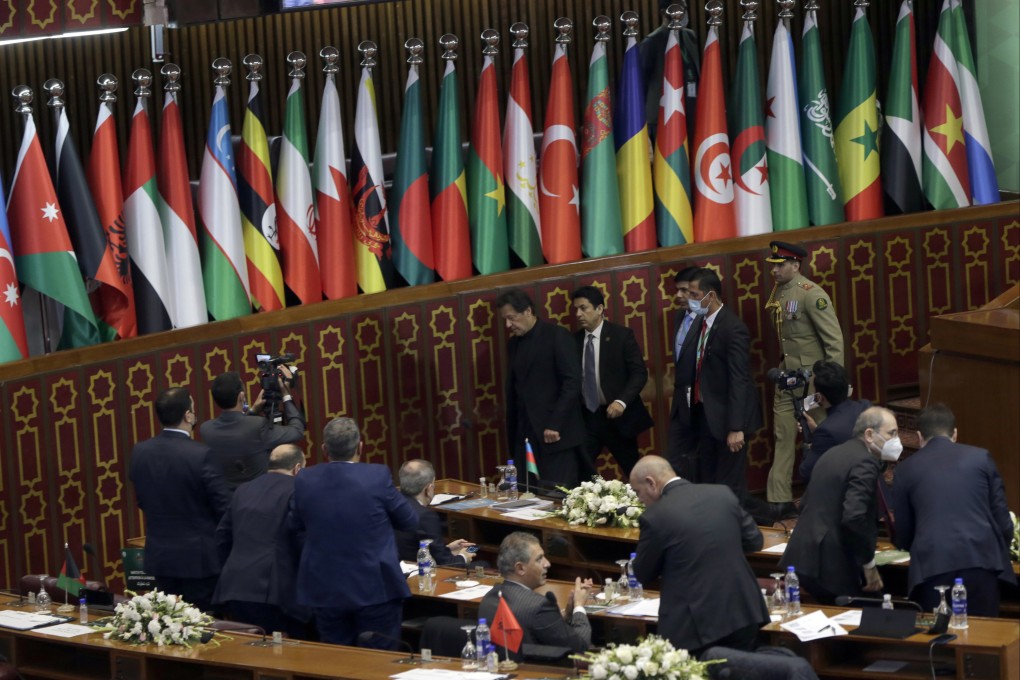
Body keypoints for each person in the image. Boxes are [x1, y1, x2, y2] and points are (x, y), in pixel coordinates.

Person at [289, 417, 417, 647]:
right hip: (375, 587)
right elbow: (409, 520)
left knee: (337, 661)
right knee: (380, 661)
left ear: (324, 449)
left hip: (324, 587)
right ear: (360, 446)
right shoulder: (377, 476)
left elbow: (294, 525)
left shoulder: (305, 479)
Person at [629, 456, 767, 656]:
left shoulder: (656, 517)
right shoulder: (722, 494)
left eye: (638, 492)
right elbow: (755, 541)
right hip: (743, 611)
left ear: (651, 482)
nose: (639, 499)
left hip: (696, 626)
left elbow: (642, 573)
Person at [892, 404, 1016, 616]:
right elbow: (1002, 518)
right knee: (984, 636)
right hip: (981, 561)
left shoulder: (905, 469)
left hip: (932, 565)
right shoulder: (981, 458)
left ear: (920, 436)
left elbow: (903, 531)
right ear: (955, 433)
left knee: (940, 637)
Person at [780, 407, 897, 603]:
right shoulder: (865, 462)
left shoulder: (834, 452)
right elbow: (854, 516)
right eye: (891, 433)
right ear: (869, 434)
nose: (897, 439)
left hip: (803, 556)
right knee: (872, 612)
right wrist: (869, 565)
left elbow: (804, 503)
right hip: (829, 565)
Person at [128, 387, 230, 612]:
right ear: (188, 415)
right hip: (201, 562)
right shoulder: (201, 454)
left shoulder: (140, 452)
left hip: (161, 558)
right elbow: (224, 509)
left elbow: (142, 502)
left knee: (169, 623)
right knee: (205, 626)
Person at [764, 241, 844, 520]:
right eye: (773, 265)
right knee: (783, 433)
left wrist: (831, 383)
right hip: (788, 376)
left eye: (780, 265)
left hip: (812, 381)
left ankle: (823, 493)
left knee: (817, 437)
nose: (774, 270)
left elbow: (833, 340)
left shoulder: (812, 294)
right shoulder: (780, 292)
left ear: (796, 265)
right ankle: (778, 499)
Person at [673, 268, 761, 502]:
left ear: (710, 296)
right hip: (706, 416)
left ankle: (739, 532)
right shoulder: (700, 323)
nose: (689, 299)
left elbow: (739, 379)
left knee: (730, 484)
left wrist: (736, 427)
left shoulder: (733, 328)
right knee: (709, 479)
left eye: (694, 294)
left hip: (729, 420)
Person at [214, 444, 311, 639]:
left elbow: (222, 537)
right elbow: (303, 542)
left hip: (235, 587)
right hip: (276, 593)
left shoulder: (243, 490)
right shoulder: (297, 490)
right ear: (297, 468)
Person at [497, 289, 588, 488]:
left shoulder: (557, 336)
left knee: (556, 494)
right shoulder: (514, 344)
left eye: (511, 318)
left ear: (528, 311)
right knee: (526, 494)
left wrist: (555, 423)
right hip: (525, 435)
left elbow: (572, 383)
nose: (508, 325)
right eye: (505, 319)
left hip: (555, 434)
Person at [571, 286, 653, 478]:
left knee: (633, 470)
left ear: (599, 309)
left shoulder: (621, 335)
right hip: (588, 417)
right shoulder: (573, 341)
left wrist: (621, 401)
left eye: (584, 308)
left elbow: (639, 373)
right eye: (576, 309)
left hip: (618, 416)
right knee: (580, 470)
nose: (578, 314)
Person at [478, 532, 592, 660]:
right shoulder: (539, 606)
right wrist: (579, 607)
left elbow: (539, 627)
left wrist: (568, 614)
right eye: (539, 559)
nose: (547, 563)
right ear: (520, 568)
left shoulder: (489, 597)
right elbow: (579, 647)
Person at [200, 370, 305, 490]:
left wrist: (253, 411)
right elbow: (297, 431)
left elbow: (239, 431)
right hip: (259, 498)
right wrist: (286, 395)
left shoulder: (206, 429)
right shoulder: (257, 426)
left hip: (226, 503)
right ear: (241, 396)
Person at [798, 360, 870, 484]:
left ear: (820, 398)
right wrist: (816, 431)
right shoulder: (865, 406)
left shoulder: (826, 431)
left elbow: (806, 473)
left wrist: (810, 443)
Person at [394, 459, 475, 566]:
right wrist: (464, 557)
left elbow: (410, 545)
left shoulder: (392, 505)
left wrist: (447, 549)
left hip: (395, 571)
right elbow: (445, 563)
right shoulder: (425, 516)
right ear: (428, 488)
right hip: (419, 574)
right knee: (484, 564)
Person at [666, 265, 702, 478]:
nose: (677, 295)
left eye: (683, 290)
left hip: (703, 401)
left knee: (702, 461)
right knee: (675, 460)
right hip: (681, 403)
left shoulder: (710, 320)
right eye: (677, 290)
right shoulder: (679, 317)